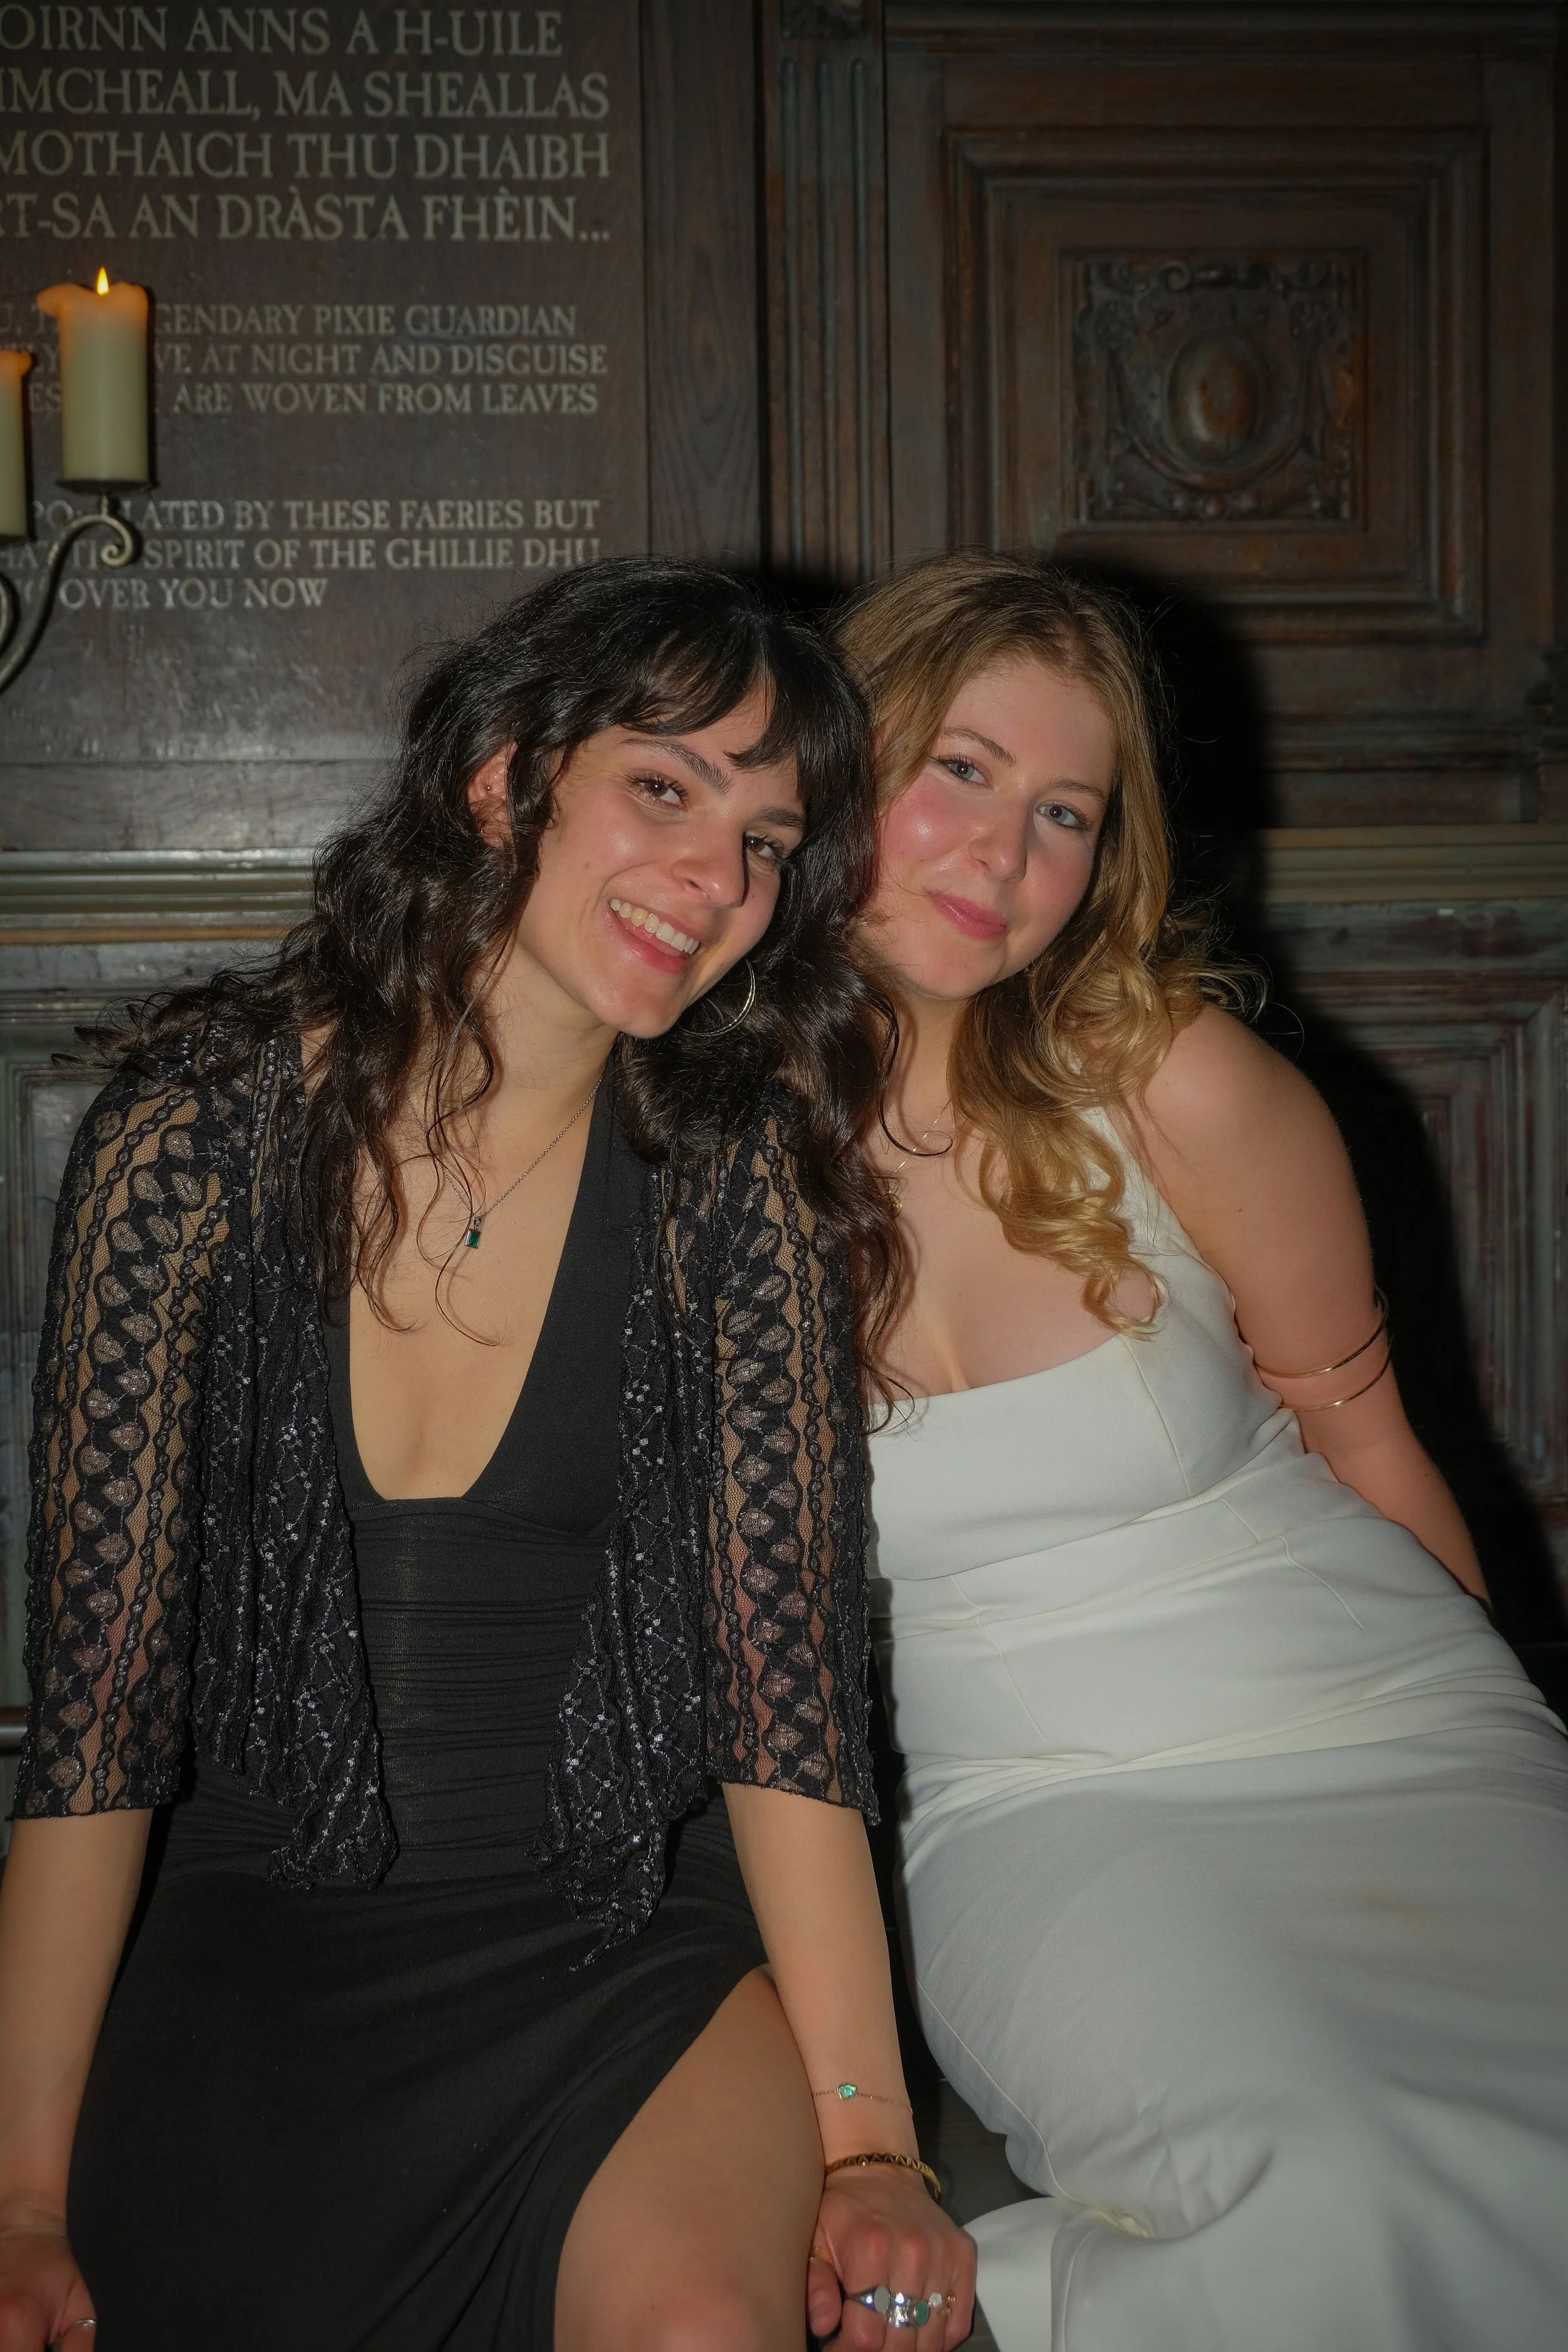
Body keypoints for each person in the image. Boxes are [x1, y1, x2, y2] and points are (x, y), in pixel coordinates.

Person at [0, 558, 976, 2352]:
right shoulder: (189, 1141)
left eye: (768, 843)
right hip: (259, 1937)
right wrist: (23, 2199)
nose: (716, 880)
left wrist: (871, 2151)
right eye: (665, 788)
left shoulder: (726, 1185)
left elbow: (788, 1713)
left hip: (620, 1931)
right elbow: (95, 1716)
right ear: (504, 777)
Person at [837, 549, 1568, 2352]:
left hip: (1380, 1719)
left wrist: (1524, 1753)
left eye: (1064, 809)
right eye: (959, 768)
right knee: (1332, 2172)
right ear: (833, 762)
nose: (1006, 853)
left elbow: (1371, 1442)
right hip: (1027, 1803)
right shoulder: (669, 1150)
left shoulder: (1177, 1081)